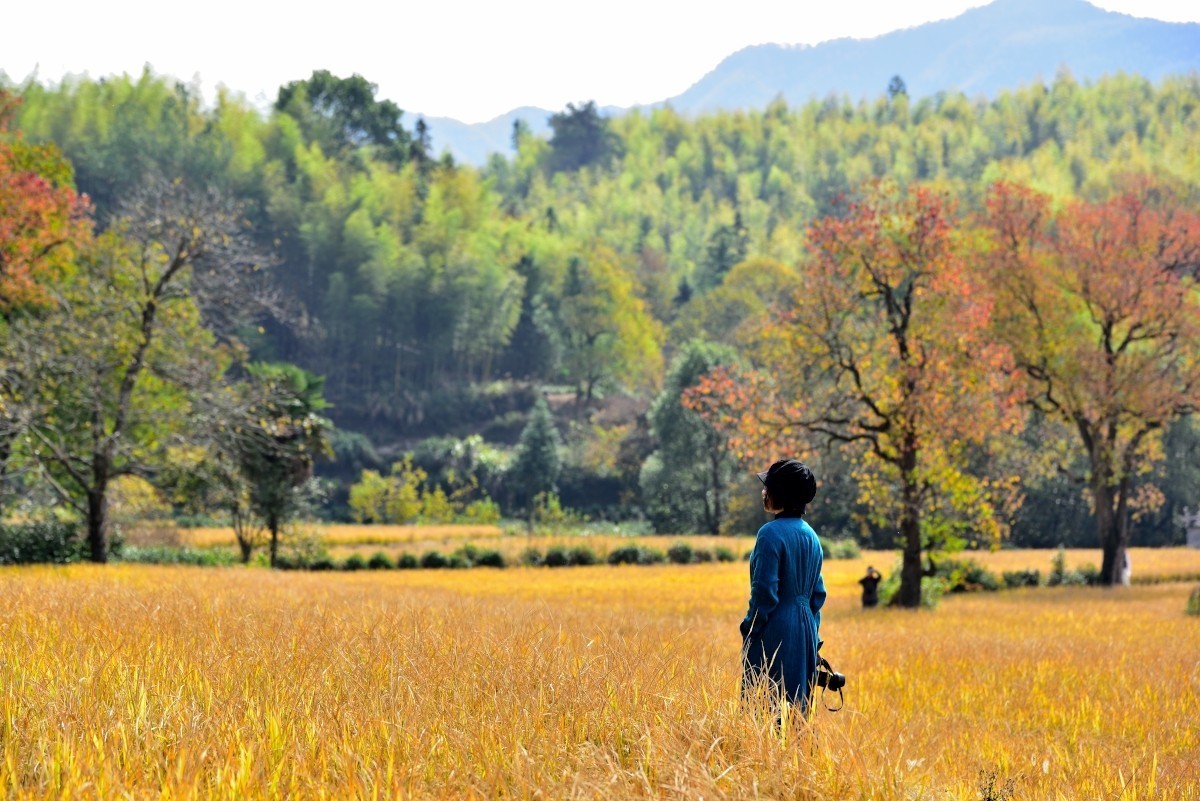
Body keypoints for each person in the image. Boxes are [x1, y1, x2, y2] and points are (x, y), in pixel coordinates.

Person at [741, 458, 827, 714]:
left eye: (767, 487)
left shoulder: (769, 533)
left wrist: (749, 629)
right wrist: (813, 638)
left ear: (780, 493)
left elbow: (764, 594)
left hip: (774, 630)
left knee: (762, 713)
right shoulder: (812, 536)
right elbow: (817, 595)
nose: (763, 492)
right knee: (797, 715)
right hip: (806, 632)